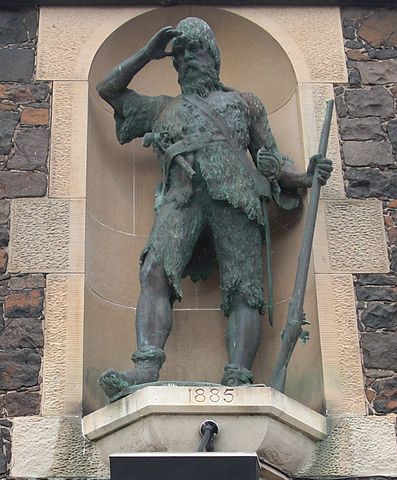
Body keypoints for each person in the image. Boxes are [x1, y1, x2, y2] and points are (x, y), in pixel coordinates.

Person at [97, 17, 332, 399]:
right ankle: (145, 368)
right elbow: (107, 89)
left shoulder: (244, 104)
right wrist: (146, 54)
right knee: (154, 272)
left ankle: (239, 377)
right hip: (181, 197)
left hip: (236, 199)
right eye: (181, 55)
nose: (187, 59)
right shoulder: (162, 109)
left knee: (245, 291)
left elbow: (270, 160)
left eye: (196, 50)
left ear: (213, 57)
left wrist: (306, 175)